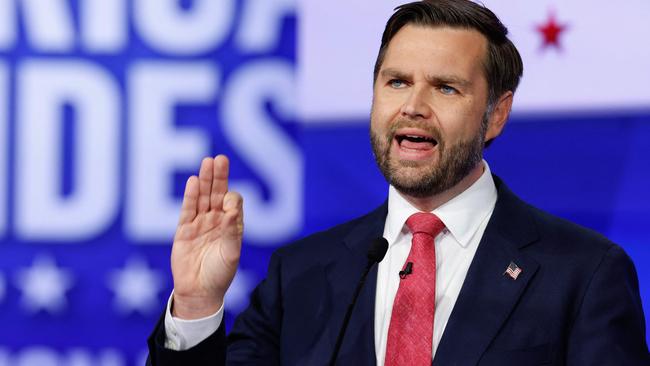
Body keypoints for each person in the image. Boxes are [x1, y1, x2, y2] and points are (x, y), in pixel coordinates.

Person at [147, 1, 649, 365]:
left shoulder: (583, 273)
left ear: (496, 115)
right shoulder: (300, 273)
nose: (413, 106)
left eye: (446, 87)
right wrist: (196, 305)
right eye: (397, 82)